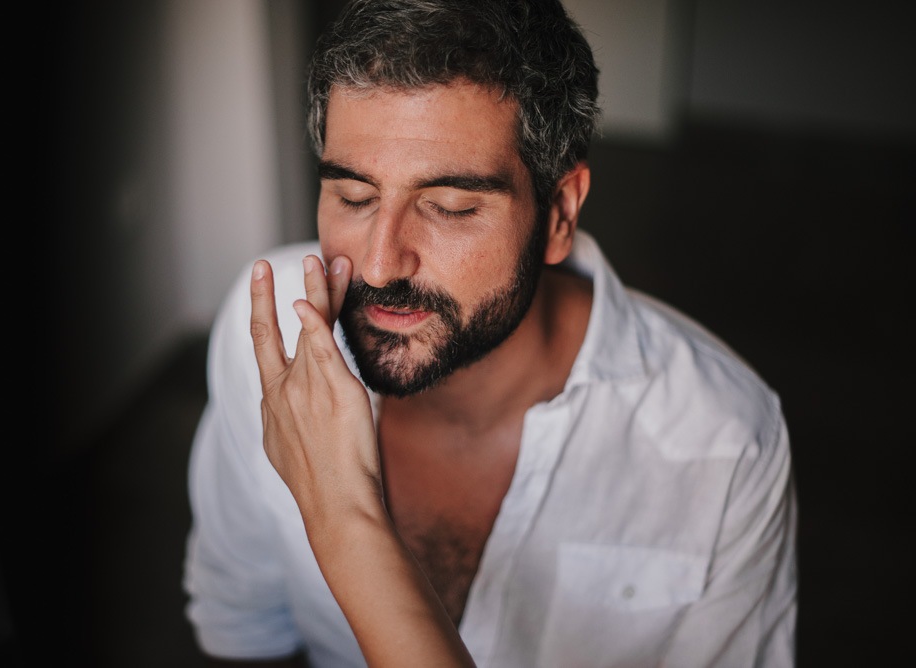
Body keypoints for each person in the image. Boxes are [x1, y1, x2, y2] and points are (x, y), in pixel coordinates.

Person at [184, 1, 798, 666]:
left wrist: (342, 523)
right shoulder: (269, 334)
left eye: (449, 208)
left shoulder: (723, 442)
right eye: (354, 197)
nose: (381, 264)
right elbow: (242, 627)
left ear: (559, 213)